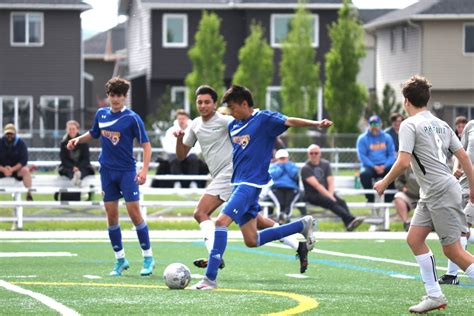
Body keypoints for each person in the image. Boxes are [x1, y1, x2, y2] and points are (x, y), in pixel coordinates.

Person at [191, 85, 333, 290]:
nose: (231, 113)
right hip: (237, 183)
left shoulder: (264, 119)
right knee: (252, 239)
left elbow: (289, 120)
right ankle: (301, 225)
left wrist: (317, 124)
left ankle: (209, 279)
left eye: (233, 108)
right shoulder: (234, 126)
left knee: (220, 222)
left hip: (250, 185)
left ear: (245, 104)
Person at [174, 85, 309, 273]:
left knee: (201, 213)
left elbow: (253, 124)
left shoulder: (227, 120)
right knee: (257, 224)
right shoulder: (195, 124)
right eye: (199, 102)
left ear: (214, 104)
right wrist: (179, 139)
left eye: (207, 102)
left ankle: (214, 256)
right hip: (225, 177)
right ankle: (298, 242)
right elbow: (181, 156)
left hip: (231, 175)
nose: (203, 105)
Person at [374, 75, 474, 313]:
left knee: (454, 251)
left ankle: (435, 293)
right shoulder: (441, 123)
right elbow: (464, 158)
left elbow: (403, 162)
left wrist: (384, 182)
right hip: (434, 192)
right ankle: (434, 295)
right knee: (414, 239)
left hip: (440, 191)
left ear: (406, 101)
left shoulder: (410, 124)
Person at [67, 77, 155, 277]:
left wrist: (144, 170)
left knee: (134, 214)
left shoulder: (133, 118)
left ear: (125, 97)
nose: (115, 99)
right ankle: (120, 260)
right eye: (112, 95)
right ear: (108, 96)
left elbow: (146, 146)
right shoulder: (101, 114)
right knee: (111, 216)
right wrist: (77, 140)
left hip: (126, 172)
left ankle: (148, 257)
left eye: (119, 96)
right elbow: (94, 133)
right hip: (107, 172)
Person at [438, 118, 474, 285]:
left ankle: (452, 275)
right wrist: (455, 170)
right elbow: (461, 152)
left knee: (461, 229)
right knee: (461, 229)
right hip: (465, 187)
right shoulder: (470, 126)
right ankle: (452, 275)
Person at [301, 144, 364, 231]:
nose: (314, 155)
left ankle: (349, 224)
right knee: (331, 202)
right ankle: (351, 219)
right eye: (311, 153)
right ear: (308, 154)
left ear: (320, 154)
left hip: (326, 192)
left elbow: (330, 181)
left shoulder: (325, 164)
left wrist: (331, 194)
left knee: (341, 201)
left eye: (316, 153)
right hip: (312, 195)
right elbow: (317, 185)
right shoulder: (305, 168)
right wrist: (330, 197)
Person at [357, 115, 396, 203]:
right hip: (370, 167)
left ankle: (389, 200)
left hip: (385, 165)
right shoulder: (362, 138)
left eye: (376, 123)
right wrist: (374, 166)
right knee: (364, 174)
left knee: (394, 171)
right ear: (369, 125)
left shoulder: (387, 137)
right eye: (372, 124)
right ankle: (370, 198)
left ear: (380, 124)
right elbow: (362, 156)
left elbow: (391, 155)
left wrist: (384, 166)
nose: (374, 126)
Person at [162, 109, 201, 188]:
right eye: (179, 119)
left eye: (183, 119)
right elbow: (167, 146)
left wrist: (186, 153)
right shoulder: (170, 131)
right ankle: (177, 182)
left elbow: (198, 145)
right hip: (175, 154)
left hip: (190, 154)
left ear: (187, 119)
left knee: (194, 159)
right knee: (174, 159)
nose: (181, 121)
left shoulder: (193, 130)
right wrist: (179, 153)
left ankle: (193, 182)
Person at [268, 149, 303, 224]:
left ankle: (285, 217)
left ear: (287, 158)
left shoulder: (292, 166)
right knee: (280, 204)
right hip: (277, 188)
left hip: (291, 188)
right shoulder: (273, 166)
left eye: (284, 158)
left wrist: (286, 166)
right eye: (281, 158)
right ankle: (280, 218)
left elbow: (294, 175)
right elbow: (273, 176)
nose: (282, 160)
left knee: (288, 204)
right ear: (277, 159)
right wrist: (280, 167)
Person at [0, 124, 33, 201]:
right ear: (4, 134)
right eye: (7, 134)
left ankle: (29, 194)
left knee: (25, 170)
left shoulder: (21, 144)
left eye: (11, 133)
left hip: (16, 170)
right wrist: (3, 169)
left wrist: (12, 169)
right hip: (2, 169)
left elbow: (23, 160)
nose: (9, 135)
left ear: (15, 133)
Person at [58, 120, 95, 186]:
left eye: (73, 129)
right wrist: (73, 167)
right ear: (66, 130)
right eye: (69, 129)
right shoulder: (63, 143)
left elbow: (86, 158)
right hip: (69, 167)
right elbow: (64, 159)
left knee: (86, 170)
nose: (71, 131)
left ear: (77, 129)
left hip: (82, 167)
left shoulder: (83, 141)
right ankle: (75, 178)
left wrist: (78, 167)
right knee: (66, 170)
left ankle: (78, 178)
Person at [393, 166, 420, 232]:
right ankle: (407, 223)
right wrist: (402, 188)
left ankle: (432, 225)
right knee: (398, 197)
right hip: (409, 195)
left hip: (426, 196)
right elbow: (398, 181)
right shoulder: (406, 166)